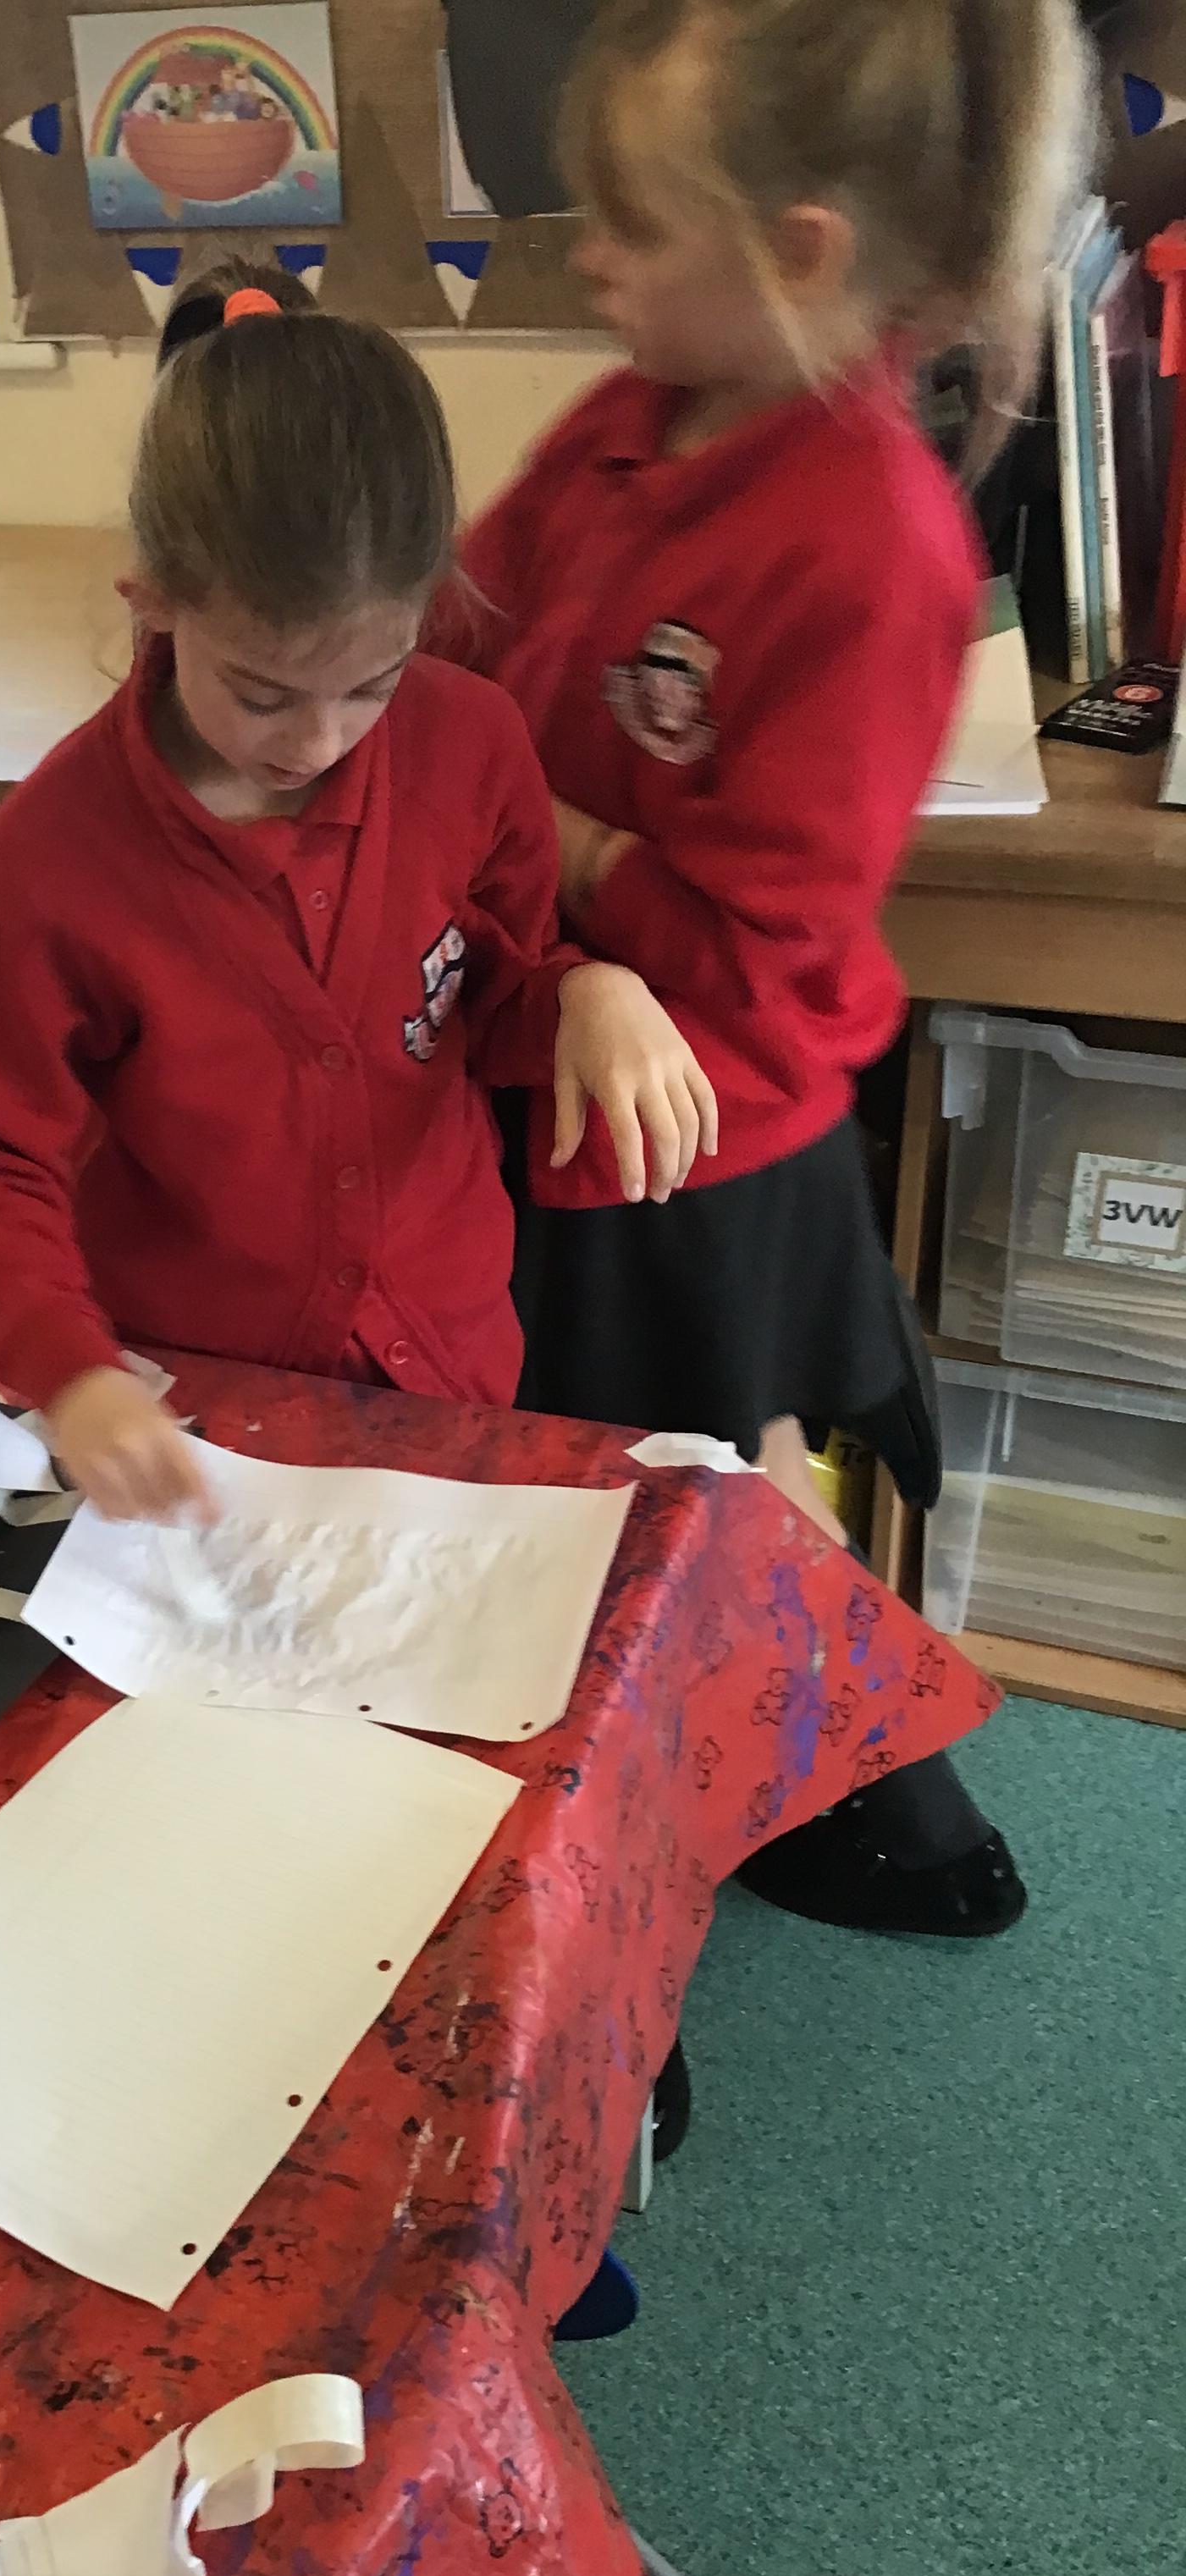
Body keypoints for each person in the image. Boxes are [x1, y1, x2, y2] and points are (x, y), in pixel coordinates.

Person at [449, 0, 1095, 1937]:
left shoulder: (869, 541)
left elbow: (755, 935)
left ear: (799, 253)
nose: (590, 259)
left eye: (634, 226)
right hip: (553, 1047)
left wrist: (557, 839)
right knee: (612, 1490)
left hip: (696, 1141)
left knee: (704, 1500)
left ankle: (878, 1820)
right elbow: (463, 628)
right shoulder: (631, 414)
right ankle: (650, 1783)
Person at [0, 262, 714, 1528]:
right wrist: (73, 1376)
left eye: (373, 684)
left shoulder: (471, 744)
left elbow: (487, 999)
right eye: (263, 694)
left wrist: (586, 992)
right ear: (154, 602)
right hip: (192, 1408)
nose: (319, 743)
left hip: (446, 1366)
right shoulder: (55, 859)